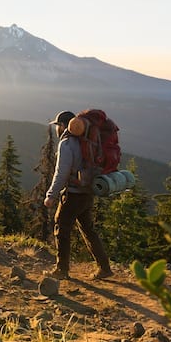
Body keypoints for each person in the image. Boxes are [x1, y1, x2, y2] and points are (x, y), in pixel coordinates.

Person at [44, 110, 113, 280]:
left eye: (58, 125)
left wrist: (51, 194)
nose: (57, 129)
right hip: (88, 192)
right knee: (88, 230)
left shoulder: (67, 144)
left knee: (61, 226)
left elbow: (62, 173)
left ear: (63, 126)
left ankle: (62, 269)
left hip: (73, 194)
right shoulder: (85, 142)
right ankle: (104, 267)